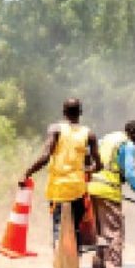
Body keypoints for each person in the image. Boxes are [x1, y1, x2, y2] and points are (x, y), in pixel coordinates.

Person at [21, 98, 101, 255]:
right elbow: (98, 164)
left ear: (64, 112)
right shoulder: (89, 134)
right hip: (77, 189)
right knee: (75, 228)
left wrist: (27, 173)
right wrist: (88, 169)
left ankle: (60, 263)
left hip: (58, 189)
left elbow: (45, 156)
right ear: (81, 113)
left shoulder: (55, 129)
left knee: (58, 225)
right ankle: (74, 266)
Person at [87, 120, 135, 268]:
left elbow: (91, 157)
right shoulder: (128, 145)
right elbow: (130, 174)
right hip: (108, 191)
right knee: (114, 231)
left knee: (100, 232)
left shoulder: (107, 139)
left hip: (92, 188)